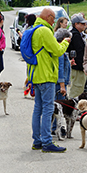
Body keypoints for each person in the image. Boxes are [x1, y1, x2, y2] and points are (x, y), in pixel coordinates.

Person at [29, 8, 70, 152]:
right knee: (48, 109)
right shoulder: (44, 31)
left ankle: (37, 141)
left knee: (38, 108)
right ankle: (47, 142)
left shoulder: (35, 29)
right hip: (46, 75)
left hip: (36, 74)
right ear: (48, 17)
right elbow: (58, 51)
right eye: (53, 19)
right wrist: (65, 43)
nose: (54, 22)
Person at [67, 14, 87, 98]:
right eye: (82, 24)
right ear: (76, 24)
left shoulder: (73, 34)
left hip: (75, 66)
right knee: (77, 89)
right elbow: (80, 52)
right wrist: (83, 66)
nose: (84, 25)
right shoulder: (76, 35)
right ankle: (73, 107)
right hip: (78, 67)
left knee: (78, 87)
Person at [54, 28, 72, 100]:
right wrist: (62, 85)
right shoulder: (60, 51)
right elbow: (60, 68)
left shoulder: (56, 48)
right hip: (59, 84)